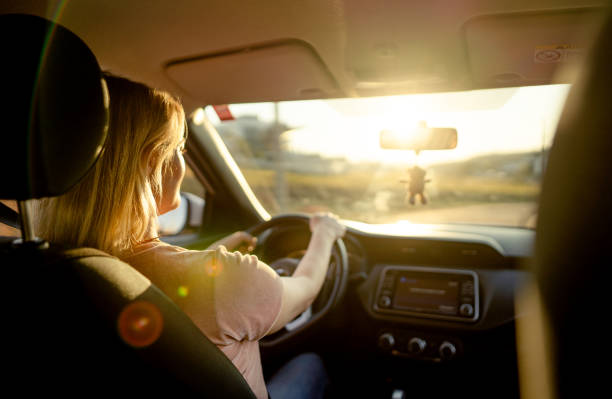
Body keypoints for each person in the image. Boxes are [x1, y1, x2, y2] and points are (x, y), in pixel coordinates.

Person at [33, 73, 345, 399]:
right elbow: (306, 289)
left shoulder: (48, 271)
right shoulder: (228, 282)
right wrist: (324, 233)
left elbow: (165, 292)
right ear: (155, 163)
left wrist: (210, 258)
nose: (184, 161)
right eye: (180, 148)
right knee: (311, 364)